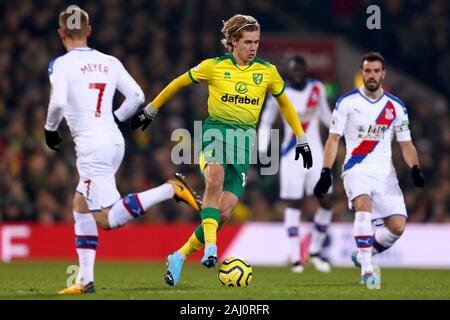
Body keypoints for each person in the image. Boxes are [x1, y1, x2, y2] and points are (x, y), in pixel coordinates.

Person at [131, 14, 313, 286]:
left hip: (243, 144)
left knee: (223, 212)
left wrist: (302, 138)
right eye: (248, 42)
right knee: (213, 178)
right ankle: (212, 249)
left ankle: (179, 256)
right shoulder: (214, 67)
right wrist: (151, 109)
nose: (253, 48)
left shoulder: (267, 72)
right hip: (216, 133)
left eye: (257, 42)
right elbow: (179, 82)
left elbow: (285, 104)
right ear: (232, 42)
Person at [44, 6, 201, 295]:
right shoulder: (110, 62)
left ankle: (171, 189)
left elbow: (57, 103)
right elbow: (138, 96)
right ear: (89, 31)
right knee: (81, 206)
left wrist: (50, 129)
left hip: (92, 148)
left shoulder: (61, 65)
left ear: (61, 33)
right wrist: (114, 119)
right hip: (113, 141)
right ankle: (85, 280)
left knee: (106, 220)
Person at [313, 52, 425, 288]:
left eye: (376, 71)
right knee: (363, 206)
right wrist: (325, 171)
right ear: (361, 73)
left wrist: (415, 167)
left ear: (383, 74)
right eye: (367, 71)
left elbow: (406, 144)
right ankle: (366, 271)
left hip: (385, 173)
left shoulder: (395, 106)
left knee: (397, 227)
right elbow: (333, 139)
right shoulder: (347, 102)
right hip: (356, 169)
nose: (372, 75)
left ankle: (364, 254)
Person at [258, 55, 333, 273]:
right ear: (288, 72)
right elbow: (266, 122)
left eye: (301, 69)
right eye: (294, 70)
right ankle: (295, 258)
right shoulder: (279, 93)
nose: (297, 73)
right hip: (291, 155)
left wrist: (344, 132)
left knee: (325, 200)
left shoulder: (317, 89)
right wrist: (263, 151)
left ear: (305, 69)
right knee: (294, 203)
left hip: (317, 154)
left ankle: (315, 252)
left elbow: (326, 116)